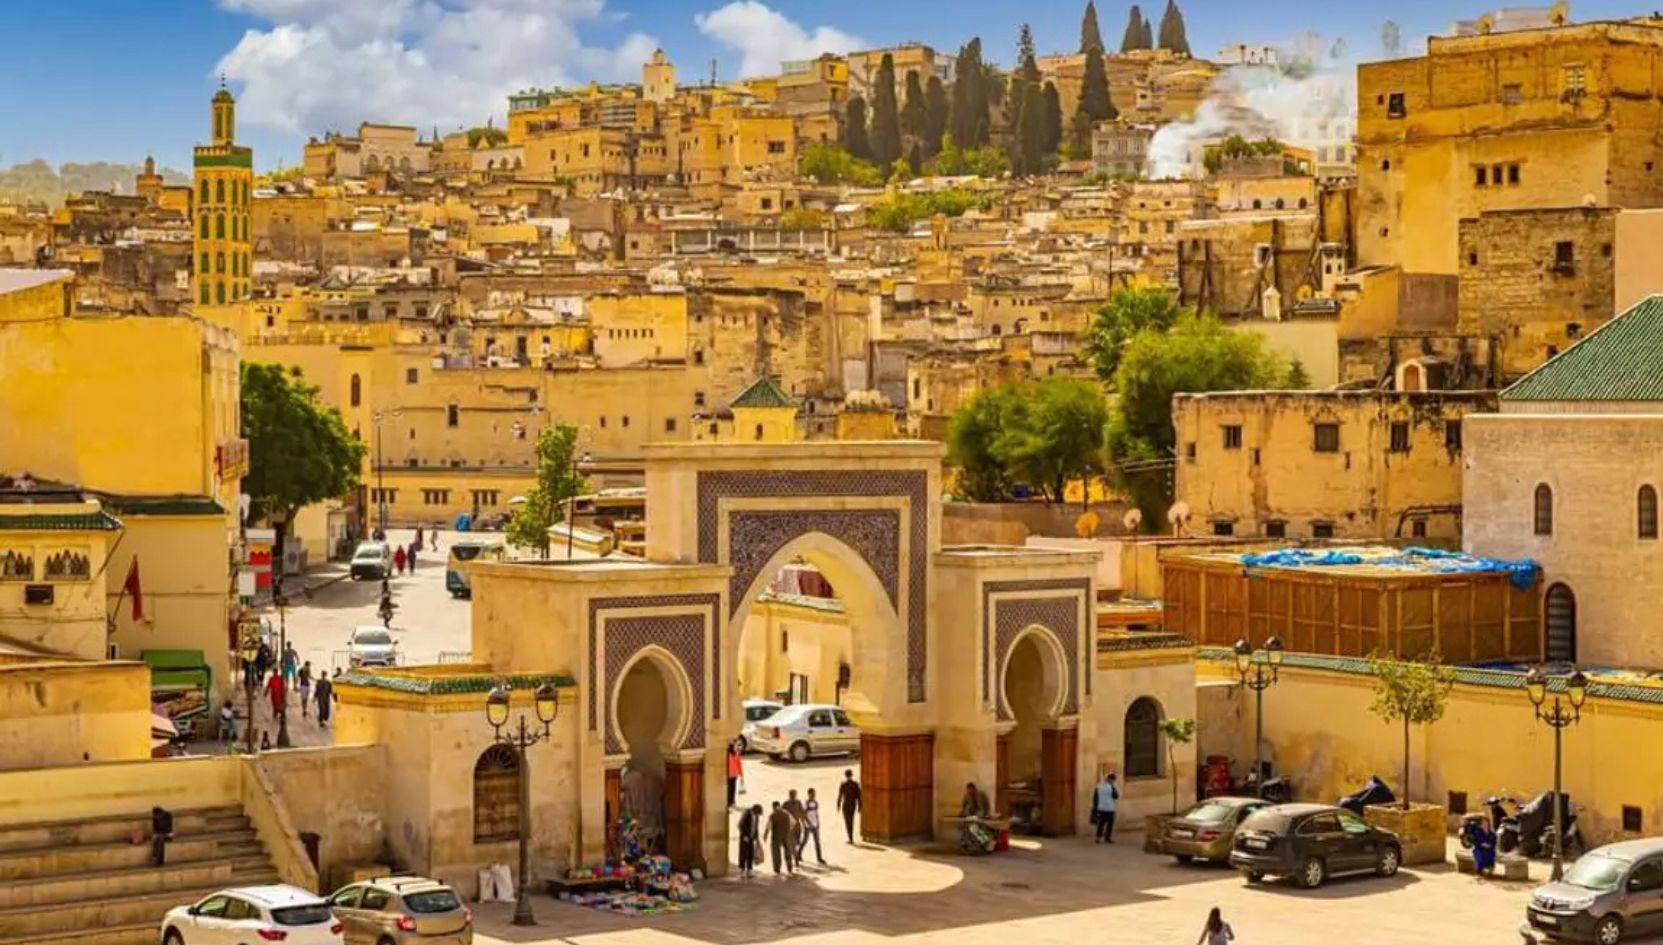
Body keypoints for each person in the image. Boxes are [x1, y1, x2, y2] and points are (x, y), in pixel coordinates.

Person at [765, 801, 796, 875]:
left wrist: (765, 837)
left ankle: (777, 870)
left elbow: (768, 828)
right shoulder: (787, 814)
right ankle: (789, 869)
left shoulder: (772, 815)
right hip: (786, 835)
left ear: (773, 807)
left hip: (776, 836)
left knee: (776, 853)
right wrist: (788, 830)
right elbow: (793, 823)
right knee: (788, 852)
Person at [798, 787, 825, 865]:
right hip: (808, 826)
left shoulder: (816, 803)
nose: (813, 795)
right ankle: (798, 853)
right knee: (805, 840)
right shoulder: (806, 804)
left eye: (814, 794)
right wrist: (807, 823)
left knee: (817, 842)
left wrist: (818, 822)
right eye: (812, 794)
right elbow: (803, 814)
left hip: (815, 825)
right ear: (809, 794)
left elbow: (816, 813)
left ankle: (819, 858)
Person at [1093, 771, 1120, 844]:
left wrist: (1096, 807)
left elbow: (1095, 797)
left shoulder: (1099, 785)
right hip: (1109, 808)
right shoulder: (1111, 787)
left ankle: (1098, 837)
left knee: (1101, 823)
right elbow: (1116, 796)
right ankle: (1107, 838)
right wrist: (1114, 787)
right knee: (1109, 824)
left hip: (1101, 807)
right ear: (1112, 780)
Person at [836, 769, 861, 843]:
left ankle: (850, 837)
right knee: (851, 820)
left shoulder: (843, 784)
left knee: (847, 821)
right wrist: (860, 806)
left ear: (845, 775)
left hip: (846, 804)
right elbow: (859, 796)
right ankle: (851, 837)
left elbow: (840, 796)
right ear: (851, 775)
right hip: (853, 804)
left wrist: (838, 805)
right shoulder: (855, 784)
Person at [737, 804, 761, 877]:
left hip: (751, 837)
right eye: (757, 813)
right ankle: (742, 870)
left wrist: (756, 837)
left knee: (750, 853)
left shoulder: (756, 816)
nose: (758, 815)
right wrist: (745, 835)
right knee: (743, 853)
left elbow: (756, 827)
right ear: (754, 811)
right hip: (745, 837)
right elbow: (740, 825)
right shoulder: (746, 814)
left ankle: (749, 870)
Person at [726, 740, 744, 809]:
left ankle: (730, 802)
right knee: (732, 788)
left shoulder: (728, 754)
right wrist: (741, 775)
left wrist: (741, 775)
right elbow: (739, 765)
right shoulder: (736, 753)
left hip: (730, 774)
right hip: (733, 774)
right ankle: (731, 802)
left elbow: (739, 764)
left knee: (729, 788)